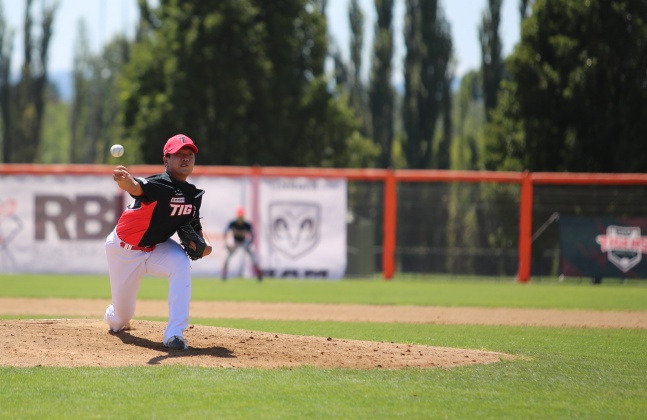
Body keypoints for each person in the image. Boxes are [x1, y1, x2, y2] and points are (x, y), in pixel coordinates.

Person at [104, 134, 212, 350]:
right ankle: (113, 314)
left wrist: (204, 247)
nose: (185, 158)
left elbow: (198, 234)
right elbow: (137, 187)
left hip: (156, 248)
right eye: (178, 154)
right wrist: (127, 182)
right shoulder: (160, 184)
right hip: (124, 251)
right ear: (166, 160)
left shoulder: (191, 196)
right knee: (121, 319)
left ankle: (175, 334)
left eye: (189, 154)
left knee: (181, 263)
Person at [222, 207, 262, 281]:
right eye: (239, 216)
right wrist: (226, 243)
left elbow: (253, 234)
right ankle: (224, 275)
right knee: (226, 257)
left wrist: (250, 242)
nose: (240, 218)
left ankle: (259, 274)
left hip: (244, 241)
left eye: (241, 216)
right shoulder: (233, 223)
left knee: (254, 256)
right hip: (235, 241)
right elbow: (225, 231)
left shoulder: (246, 224)